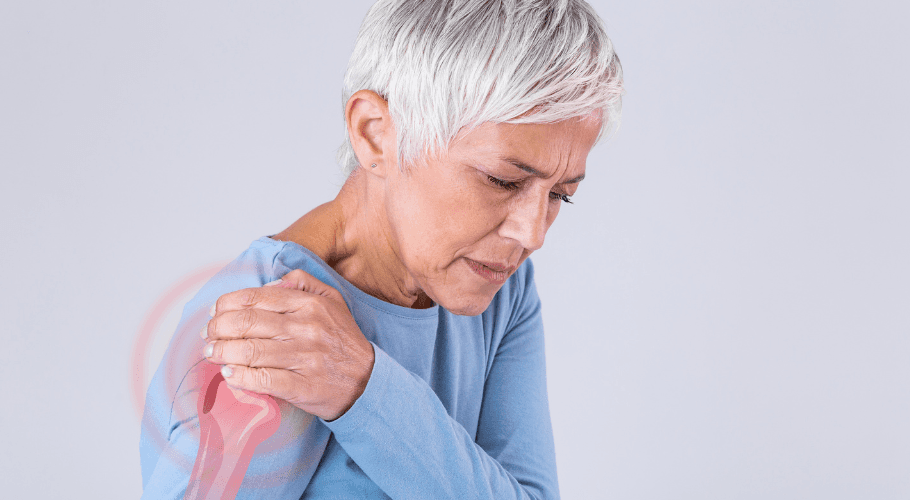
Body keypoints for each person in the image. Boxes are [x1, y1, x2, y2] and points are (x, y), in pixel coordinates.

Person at [139, 0, 624, 498]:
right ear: (375, 135)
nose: (532, 235)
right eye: (503, 180)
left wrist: (365, 387)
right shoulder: (272, 327)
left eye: (560, 194)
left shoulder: (502, 287)